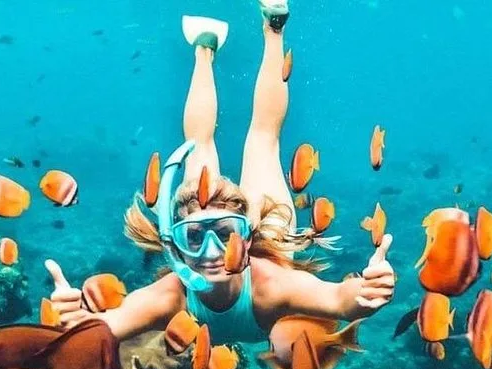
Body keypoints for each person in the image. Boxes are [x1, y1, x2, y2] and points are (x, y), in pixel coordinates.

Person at [45, 0, 396, 345]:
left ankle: (272, 28)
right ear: (176, 245)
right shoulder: (170, 296)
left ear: (247, 236)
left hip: (269, 239)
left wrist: (364, 293)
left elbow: (339, 300)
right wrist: (77, 323)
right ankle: (205, 49)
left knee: (257, 140)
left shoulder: (271, 285)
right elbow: (105, 328)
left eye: (226, 233)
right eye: (194, 237)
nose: (212, 252)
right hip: (257, 233)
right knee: (249, 142)